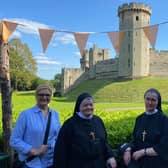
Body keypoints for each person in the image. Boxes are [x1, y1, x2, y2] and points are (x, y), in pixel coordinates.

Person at [53, 93, 117, 168]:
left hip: (99, 164)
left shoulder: (98, 121)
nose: (88, 107)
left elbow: (104, 142)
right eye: (85, 105)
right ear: (79, 107)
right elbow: (61, 150)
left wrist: (110, 156)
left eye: (91, 105)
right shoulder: (69, 124)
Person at [10, 85, 60, 168]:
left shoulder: (55, 115)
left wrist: (52, 146)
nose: (44, 97)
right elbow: (14, 140)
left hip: (50, 163)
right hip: (30, 163)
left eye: (47, 95)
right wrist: (33, 150)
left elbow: (57, 137)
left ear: (51, 96)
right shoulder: (26, 115)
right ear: (36, 96)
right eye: (41, 95)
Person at [120, 88, 168, 168]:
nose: (150, 102)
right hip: (140, 163)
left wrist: (143, 152)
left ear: (158, 102)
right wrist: (127, 149)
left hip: (157, 163)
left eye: (153, 100)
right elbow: (136, 140)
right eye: (147, 99)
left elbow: (164, 146)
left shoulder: (164, 120)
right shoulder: (139, 119)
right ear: (144, 99)